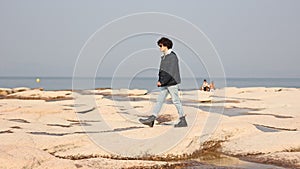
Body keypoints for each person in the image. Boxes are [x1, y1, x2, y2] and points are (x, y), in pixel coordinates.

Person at [139, 37, 187, 128]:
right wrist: (160, 80)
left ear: (166, 46)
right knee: (159, 101)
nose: (159, 48)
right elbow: (162, 71)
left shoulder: (172, 56)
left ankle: (183, 120)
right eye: (159, 46)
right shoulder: (164, 56)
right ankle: (152, 119)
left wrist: (162, 81)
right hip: (165, 83)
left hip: (172, 83)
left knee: (176, 101)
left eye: (161, 46)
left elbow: (171, 72)